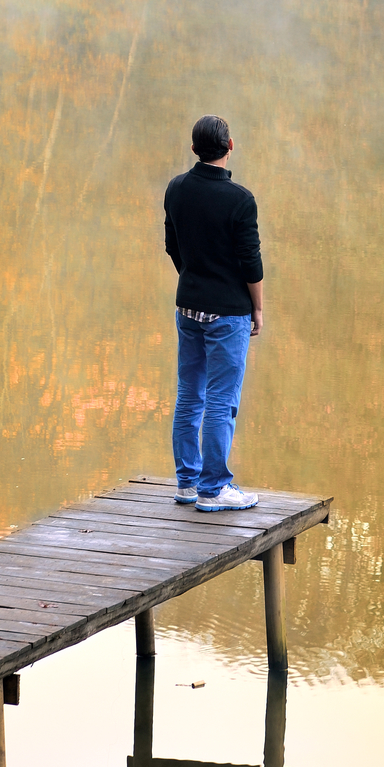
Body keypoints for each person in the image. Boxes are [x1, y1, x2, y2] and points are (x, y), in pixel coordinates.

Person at [164, 115, 264, 510]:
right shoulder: (240, 200)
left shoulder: (176, 188)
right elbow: (251, 263)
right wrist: (257, 307)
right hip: (227, 314)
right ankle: (214, 488)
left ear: (194, 149)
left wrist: (192, 279)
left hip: (188, 306)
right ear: (230, 146)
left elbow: (173, 245)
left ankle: (188, 483)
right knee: (222, 399)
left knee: (190, 395)